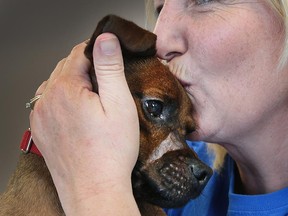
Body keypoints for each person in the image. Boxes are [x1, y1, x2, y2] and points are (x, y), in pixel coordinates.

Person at [28, 0, 288, 215]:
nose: (160, 41)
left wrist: (97, 192)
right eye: (159, 9)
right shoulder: (159, 175)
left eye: (204, 0)